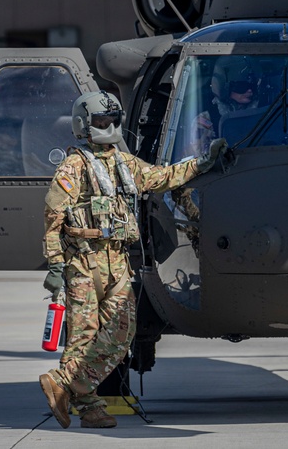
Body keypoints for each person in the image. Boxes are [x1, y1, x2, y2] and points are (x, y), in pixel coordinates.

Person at [39, 90, 227, 429]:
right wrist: (55, 264)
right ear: (84, 124)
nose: (108, 126)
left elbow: (162, 177)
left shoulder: (125, 164)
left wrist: (203, 163)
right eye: (101, 120)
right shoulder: (74, 165)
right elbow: (54, 216)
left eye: (113, 120)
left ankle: (66, 383)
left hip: (117, 259)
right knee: (83, 336)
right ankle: (90, 405)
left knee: (121, 333)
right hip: (83, 262)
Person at [190, 55, 263, 154]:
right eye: (243, 86)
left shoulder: (265, 113)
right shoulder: (207, 119)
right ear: (225, 88)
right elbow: (202, 156)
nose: (250, 91)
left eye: (252, 86)